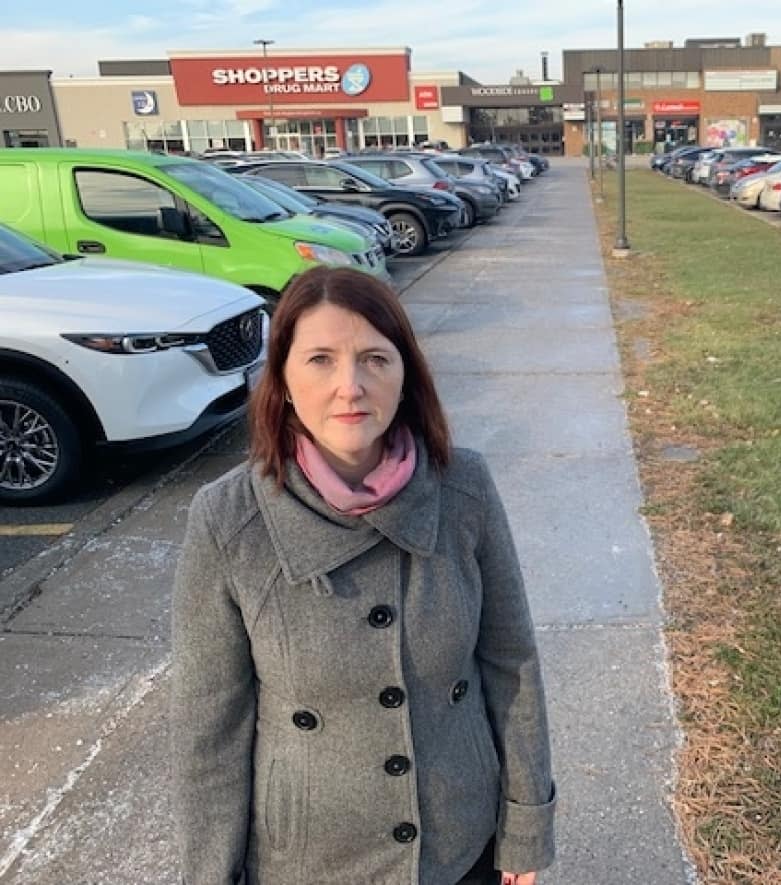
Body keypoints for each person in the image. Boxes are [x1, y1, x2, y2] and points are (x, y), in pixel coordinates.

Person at [170, 266, 556, 885]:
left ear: (405, 377)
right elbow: (208, 729)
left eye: (375, 358)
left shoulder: (465, 487)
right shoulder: (227, 520)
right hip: (307, 863)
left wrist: (526, 829)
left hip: (460, 849)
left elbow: (512, 663)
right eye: (320, 359)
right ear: (283, 380)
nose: (350, 386)